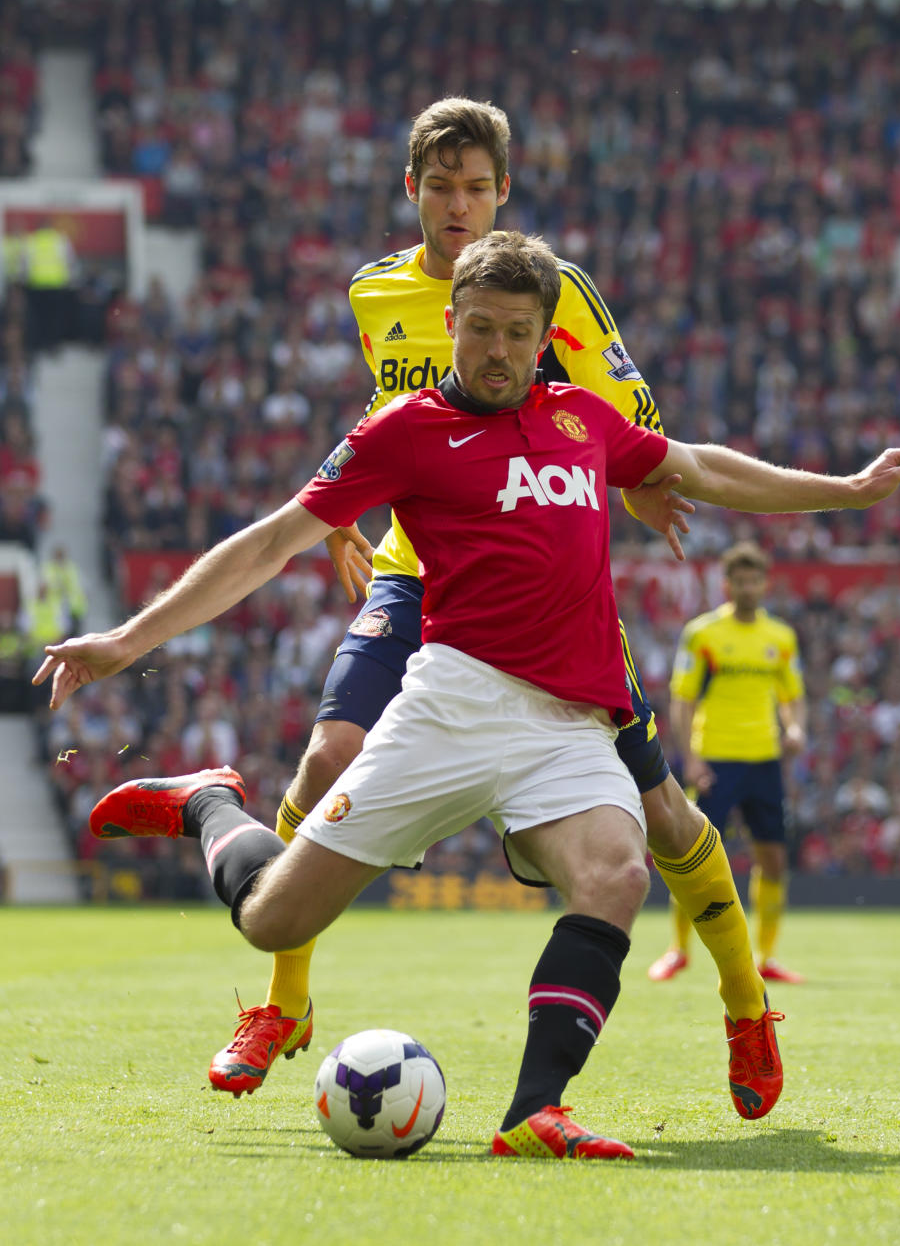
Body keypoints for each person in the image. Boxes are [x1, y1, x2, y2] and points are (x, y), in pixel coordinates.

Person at [35, 232, 900, 1157]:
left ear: (545, 334)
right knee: (274, 917)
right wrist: (124, 638)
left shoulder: (585, 419)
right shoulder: (405, 432)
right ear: (452, 322)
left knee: (618, 872)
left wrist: (848, 489)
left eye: (516, 332)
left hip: (570, 719)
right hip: (451, 706)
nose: (497, 350)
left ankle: (534, 1111)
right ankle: (212, 804)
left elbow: (699, 466)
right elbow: (271, 542)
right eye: (479, 329)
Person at [210, 96, 777, 1103]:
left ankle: (742, 997)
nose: (459, 202)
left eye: (477, 186)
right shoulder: (374, 291)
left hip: (538, 587)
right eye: (442, 185)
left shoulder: (552, 290)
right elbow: (396, 406)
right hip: (416, 564)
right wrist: (339, 502)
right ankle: (282, 996)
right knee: (328, 753)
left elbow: (622, 413)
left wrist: (639, 476)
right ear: (412, 190)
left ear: (504, 190)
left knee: (665, 816)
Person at [649, 542, 808, 985]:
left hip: (764, 760)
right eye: (739, 581)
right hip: (716, 759)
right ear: (727, 585)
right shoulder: (703, 634)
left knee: (773, 859)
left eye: (754, 580)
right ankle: (678, 950)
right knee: (691, 856)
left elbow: (793, 697)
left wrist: (794, 728)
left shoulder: (780, 637)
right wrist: (692, 757)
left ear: (765, 584)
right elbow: (683, 700)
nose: (747, 587)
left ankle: (768, 957)